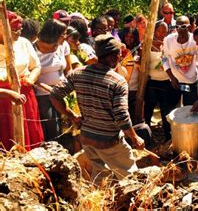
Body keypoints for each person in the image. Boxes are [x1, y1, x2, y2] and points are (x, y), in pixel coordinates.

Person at [50, 34, 144, 185]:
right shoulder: (117, 82)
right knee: (130, 178)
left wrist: (72, 115)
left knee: (100, 175)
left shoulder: (78, 73)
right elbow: (121, 116)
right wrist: (135, 138)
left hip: (87, 138)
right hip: (110, 141)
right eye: (119, 55)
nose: (120, 58)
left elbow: (55, 95)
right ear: (113, 56)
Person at [0, 11, 44, 150]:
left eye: (20, 28)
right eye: (14, 29)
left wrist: (31, 78)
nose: (19, 32)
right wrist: (8, 92)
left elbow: (36, 66)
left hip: (24, 95)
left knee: (29, 133)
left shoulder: (24, 43)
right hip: (2, 98)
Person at [33, 19, 69, 142]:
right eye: (63, 34)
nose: (65, 37)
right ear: (53, 34)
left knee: (69, 126)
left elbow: (68, 69)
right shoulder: (32, 48)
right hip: (43, 94)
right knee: (52, 126)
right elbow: (31, 76)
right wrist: (49, 89)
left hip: (63, 92)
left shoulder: (63, 46)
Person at [163, 16, 198, 109]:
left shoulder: (195, 40)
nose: (179, 29)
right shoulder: (168, 40)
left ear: (189, 27)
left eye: (183, 27)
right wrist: (172, 78)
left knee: (191, 110)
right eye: (177, 27)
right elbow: (164, 59)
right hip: (174, 81)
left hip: (191, 81)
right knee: (170, 110)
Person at [144, 22, 175, 137]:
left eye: (164, 31)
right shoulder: (147, 45)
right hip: (152, 82)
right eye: (160, 31)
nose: (162, 33)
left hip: (166, 81)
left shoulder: (168, 45)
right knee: (149, 109)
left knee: (165, 110)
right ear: (155, 31)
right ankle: (146, 136)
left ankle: (168, 135)